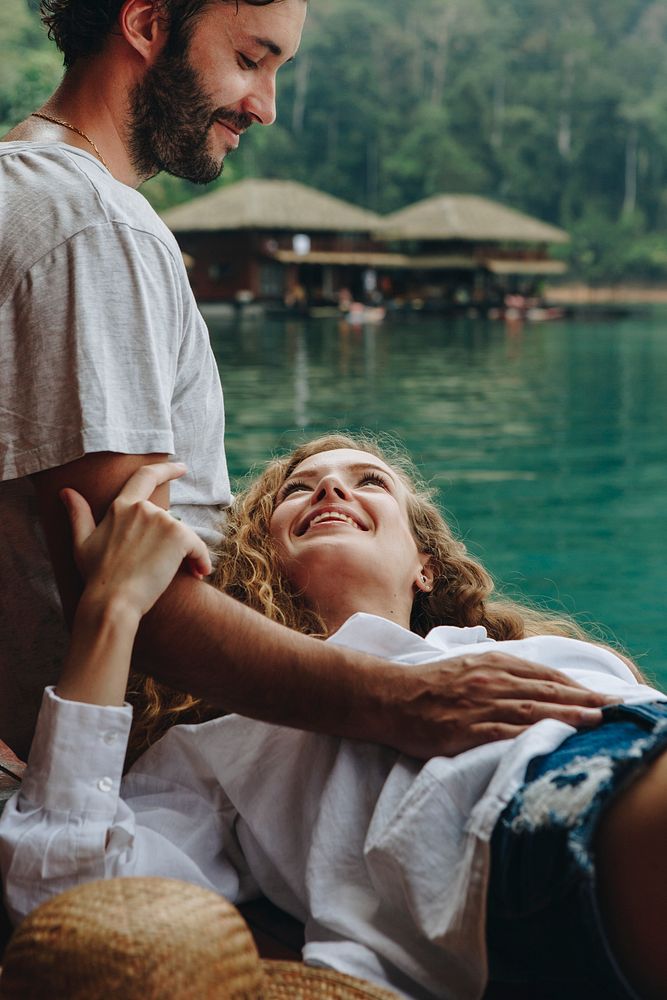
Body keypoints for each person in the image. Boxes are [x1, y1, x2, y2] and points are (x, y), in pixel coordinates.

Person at [0, 0, 608, 764]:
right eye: (251, 60)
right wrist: (400, 700)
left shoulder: (31, 194)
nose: (265, 106)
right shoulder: (90, 224)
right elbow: (129, 595)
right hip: (141, 767)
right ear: (148, 24)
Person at [2, 434, 666, 1000]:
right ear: (260, 556)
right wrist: (113, 609)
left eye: (367, 480)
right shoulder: (224, 744)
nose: (329, 492)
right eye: (298, 489)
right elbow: (60, 890)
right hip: (527, 835)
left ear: (424, 568)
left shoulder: (560, 655)